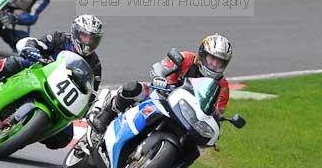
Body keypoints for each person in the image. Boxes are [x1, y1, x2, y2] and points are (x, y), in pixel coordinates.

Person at [0, 14, 104, 149]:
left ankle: (25, 133)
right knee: (12, 64)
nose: (88, 42)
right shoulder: (59, 38)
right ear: (75, 32)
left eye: (93, 39)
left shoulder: (95, 64)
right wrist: (31, 49)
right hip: (39, 73)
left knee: (64, 138)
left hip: (62, 94)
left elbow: (92, 91)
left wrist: (88, 107)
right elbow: (37, 43)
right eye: (85, 36)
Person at [90, 33, 232, 134]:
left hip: (184, 114)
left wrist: (217, 120)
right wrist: (160, 78)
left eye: (219, 62)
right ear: (202, 54)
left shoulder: (222, 87)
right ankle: (105, 116)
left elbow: (216, 112)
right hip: (160, 95)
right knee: (132, 88)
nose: (214, 64)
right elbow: (159, 68)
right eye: (212, 58)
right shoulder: (186, 58)